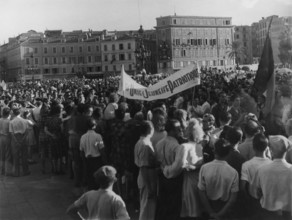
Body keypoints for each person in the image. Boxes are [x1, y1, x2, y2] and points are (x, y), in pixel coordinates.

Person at [198, 139, 239, 219]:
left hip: (208, 205)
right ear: (228, 153)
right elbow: (233, 199)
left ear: (214, 151)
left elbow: (201, 192)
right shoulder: (233, 172)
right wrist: (219, 214)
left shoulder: (204, 168)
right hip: (225, 208)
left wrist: (211, 212)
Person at [253, 135, 292, 220]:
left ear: (271, 150)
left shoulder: (262, 170)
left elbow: (257, 193)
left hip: (267, 213)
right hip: (288, 214)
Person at [155, 119, 184, 220]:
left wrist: (164, 169)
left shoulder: (159, 143)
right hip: (174, 180)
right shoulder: (176, 146)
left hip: (163, 177)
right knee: (173, 207)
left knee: (164, 205)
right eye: (177, 129)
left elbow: (158, 161)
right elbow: (178, 167)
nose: (180, 130)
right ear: (171, 130)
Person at [180, 118, 204, 219]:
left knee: (191, 205)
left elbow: (183, 165)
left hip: (191, 179)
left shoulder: (186, 146)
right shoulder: (199, 146)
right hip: (196, 178)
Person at [134, 121, 157, 220]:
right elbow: (144, 167)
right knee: (146, 208)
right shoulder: (144, 144)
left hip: (147, 176)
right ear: (149, 130)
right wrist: (149, 187)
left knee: (149, 207)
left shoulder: (142, 142)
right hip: (146, 178)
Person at [80, 118, 106, 190]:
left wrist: (84, 161)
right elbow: (101, 149)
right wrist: (105, 160)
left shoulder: (83, 137)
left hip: (87, 160)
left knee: (90, 179)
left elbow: (81, 150)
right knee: (97, 180)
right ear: (94, 126)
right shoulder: (98, 136)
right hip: (97, 160)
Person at [9, 105, 30, 177]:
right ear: (19, 113)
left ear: (14, 114)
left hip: (15, 138)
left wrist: (17, 141)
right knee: (24, 155)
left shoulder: (11, 122)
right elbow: (27, 131)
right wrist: (23, 139)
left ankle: (16, 172)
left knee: (16, 156)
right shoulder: (24, 121)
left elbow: (11, 133)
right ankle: (25, 171)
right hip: (23, 137)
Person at [0, 107, 11, 176]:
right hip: (7, 137)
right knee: (7, 154)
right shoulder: (9, 121)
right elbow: (10, 131)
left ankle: (1, 170)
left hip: (1, 137)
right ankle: (7, 171)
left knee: (1, 154)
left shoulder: (0, 120)